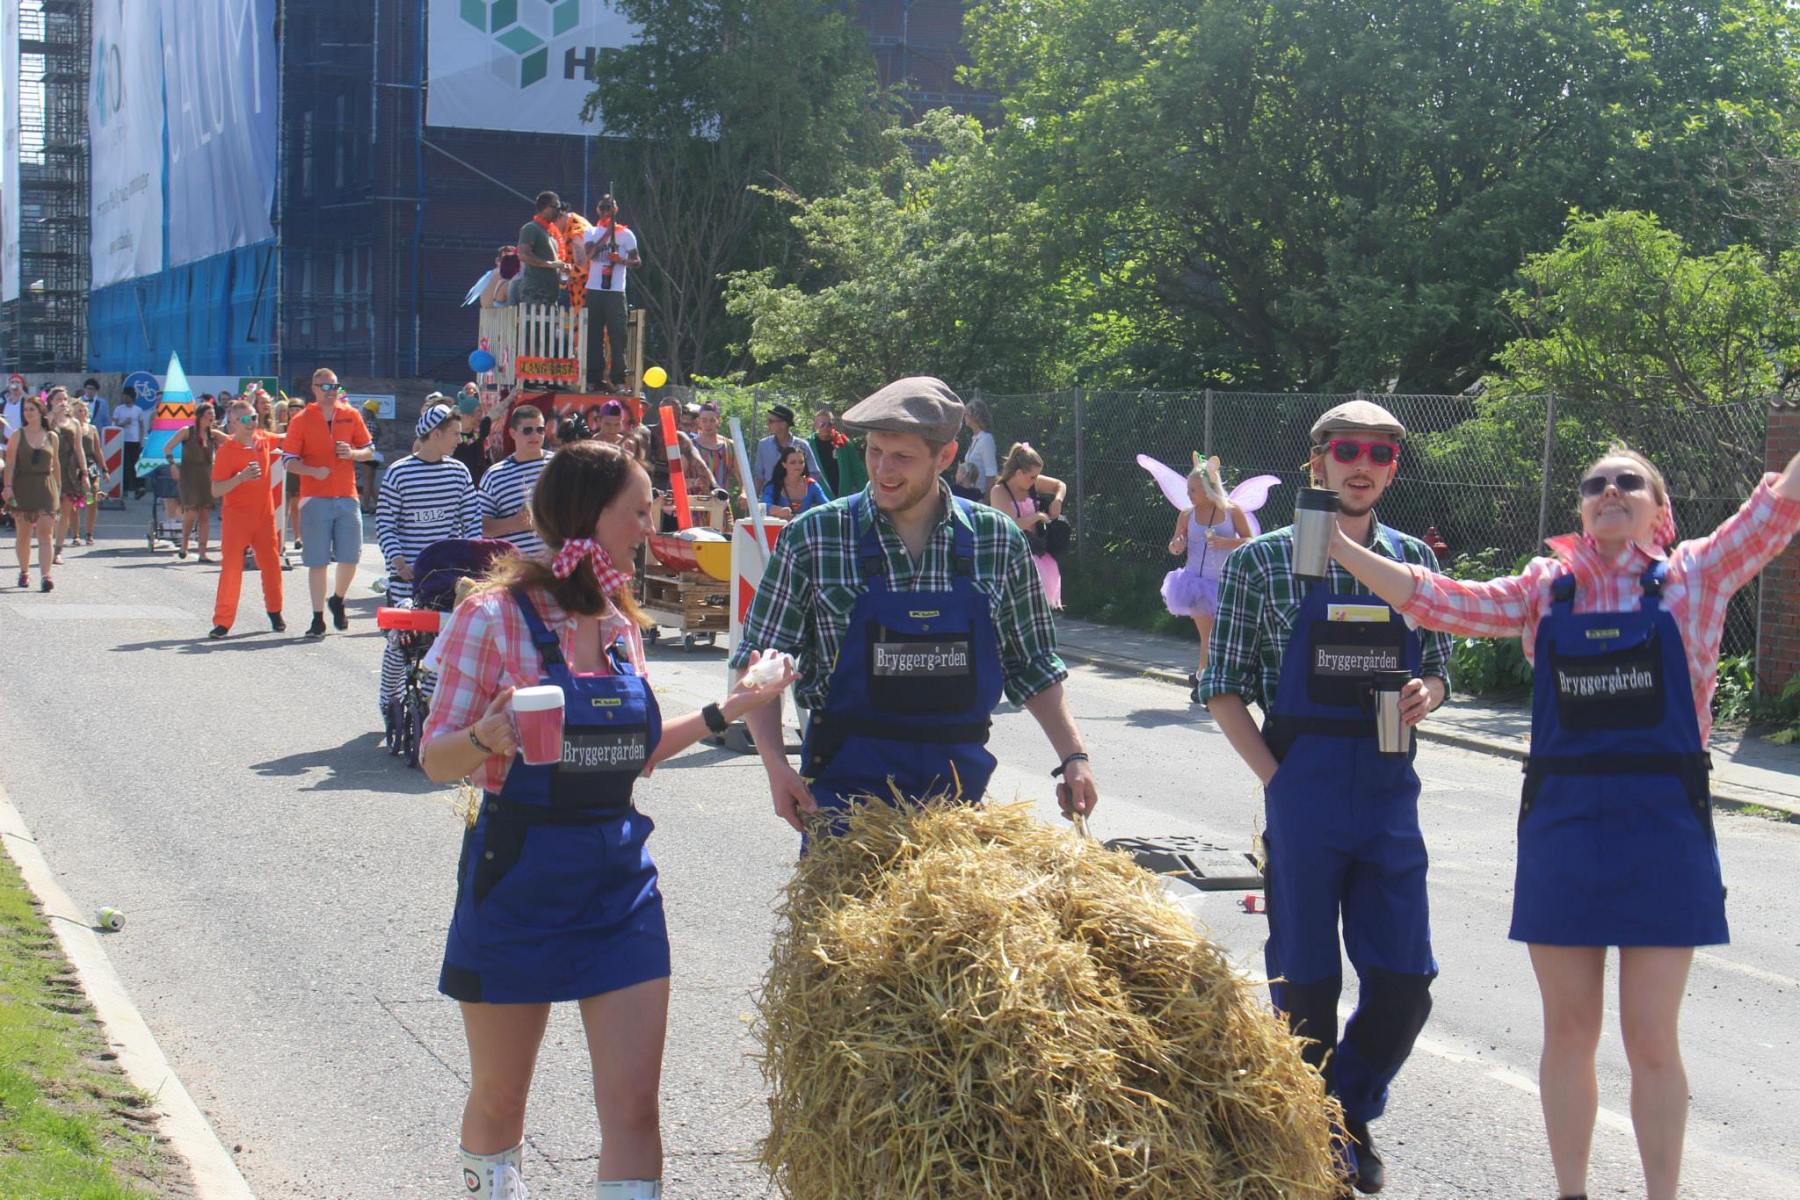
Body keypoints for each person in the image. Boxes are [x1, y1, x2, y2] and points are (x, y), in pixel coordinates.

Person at [1323, 441, 1800, 1200]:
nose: (1609, 490)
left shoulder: (1696, 575)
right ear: (1580, 507)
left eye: (1629, 482)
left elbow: (1776, 511)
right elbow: (1440, 599)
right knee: (1569, 1033)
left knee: (1651, 1039)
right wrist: (1343, 549)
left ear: (1660, 510)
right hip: (1563, 831)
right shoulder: (1547, 588)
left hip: (1664, 834)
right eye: (1594, 483)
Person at [419, 440, 794, 1200]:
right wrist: (486, 737)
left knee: (633, 1106)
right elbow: (435, 758)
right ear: (592, 516)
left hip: (618, 881)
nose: (651, 525)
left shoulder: (622, 624)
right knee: (501, 1097)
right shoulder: (491, 616)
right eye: (640, 509)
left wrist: (734, 705)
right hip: (518, 874)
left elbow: (640, 752)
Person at [1199, 400, 1452, 1197]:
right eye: (1347, 450)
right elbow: (1221, 686)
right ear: (1317, 461)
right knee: (1306, 983)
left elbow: (1440, 662)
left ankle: (1346, 1109)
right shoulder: (1262, 562)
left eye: (1380, 454)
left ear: (1393, 469)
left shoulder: (1413, 560)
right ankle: (1313, 1133)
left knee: (1405, 982)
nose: (1362, 465)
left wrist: (1430, 692)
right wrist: (1278, 781)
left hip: (1388, 789)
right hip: (1302, 787)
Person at [730, 375, 1098, 834]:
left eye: (902, 457)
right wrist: (774, 764)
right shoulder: (814, 536)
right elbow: (760, 661)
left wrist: (1074, 757)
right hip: (846, 806)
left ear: (945, 456)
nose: (883, 470)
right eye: (875, 451)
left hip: (957, 807)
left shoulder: (996, 540)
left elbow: (1033, 664)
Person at [377, 403, 480, 715]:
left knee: (444, 641)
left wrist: (475, 559)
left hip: (447, 579)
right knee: (399, 642)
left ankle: (430, 703)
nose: (459, 440)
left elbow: (472, 520)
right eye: (454, 434)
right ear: (435, 434)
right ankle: (388, 699)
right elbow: (385, 523)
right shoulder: (399, 472)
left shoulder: (459, 472)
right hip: (407, 578)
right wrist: (398, 561)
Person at [283, 367, 376, 638]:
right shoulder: (301, 419)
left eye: (334, 386)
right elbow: (288, 461)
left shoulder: (351, 414)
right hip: (314, 498)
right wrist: (313, 471)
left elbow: (370, 450)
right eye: (324, 387)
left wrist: (353, 453)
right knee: (318, 561)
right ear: (314, 389)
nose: (330, 391)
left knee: (351, 556)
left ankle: (338, 599)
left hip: (347, 495)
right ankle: (317, 618)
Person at [1163, 460, 1254, 702]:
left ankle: (1201, 675)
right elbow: (1173, 545)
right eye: (1188, 489)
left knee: (1220, 637)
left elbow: (1251, 540)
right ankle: (1206, 683)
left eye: (1193, 490)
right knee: (1210, 636)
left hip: (1225, 582)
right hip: (1195, 583)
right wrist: (1177, 545)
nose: (1188, 494)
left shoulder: (1232, 511)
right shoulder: (1186, 515)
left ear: (1208, 489)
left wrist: (1227, 543)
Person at [207, 399, 286, 638]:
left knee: (271, 565)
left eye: (253, 417)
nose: (250, 423)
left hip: (264, 517)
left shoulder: (263, 439)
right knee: (232, 569)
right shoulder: (226, 452)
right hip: (237, 520)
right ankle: (223, 622)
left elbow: (286, 438)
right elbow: (216, 490)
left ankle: (275, 612)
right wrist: (240, 478)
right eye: (244, 419)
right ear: (232, 423)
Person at [989, 442, 1068, 610]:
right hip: (1014, 557)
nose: (1035, 480)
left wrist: (1058, 500)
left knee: (1042, 605)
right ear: (1019, 473)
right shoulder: (999, 492)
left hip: (1037, 551)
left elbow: (1060, 485)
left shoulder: (1032, 483)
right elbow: (1010, 524)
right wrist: (1037, 516)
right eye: (1032, 476)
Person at [4, 393, 61, 591]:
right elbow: (10, 464)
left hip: (46, 486)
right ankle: (24, 572)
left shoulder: (52, 436)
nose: (28, 413)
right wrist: (8, 487)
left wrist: (58, 490)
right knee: (24, 534)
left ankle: (46, 576)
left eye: (32, 409)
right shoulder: (17, 435)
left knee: (45, 534)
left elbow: (56, 465)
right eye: (26, 410)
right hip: (23, 486)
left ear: (41, 412)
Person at [583, 193, 640, 391]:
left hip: (615, 291)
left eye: (610, 208)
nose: (606, 211)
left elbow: (637, 261)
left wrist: (621, 261)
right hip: (594, 289)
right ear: (598, 210)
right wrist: (607, 234)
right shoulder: (591, 231)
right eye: (603, 207)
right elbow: (589, 254)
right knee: (593, 335)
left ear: (616, 210)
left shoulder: (626, 234)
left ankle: (619, 379)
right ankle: (594, 378)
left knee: (618, 336)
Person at [480, 405, 552, 557]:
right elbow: (481, 526)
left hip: (558, 564)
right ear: (513, 433)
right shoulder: (495, 475)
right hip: (516, 566)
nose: (535, 435)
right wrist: (515, 523)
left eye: (540, 430)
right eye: (527, 430)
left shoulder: (560, 465)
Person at [169, 401, 224, 562]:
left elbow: (234, 441)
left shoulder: (214, 434)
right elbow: (168, 447)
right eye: (208, 414)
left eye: (213, 414)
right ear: (200, 416)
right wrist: (172, 465)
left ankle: (202, 553)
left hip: (207, 477)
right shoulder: (187, 432)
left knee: (205, 515)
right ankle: (184, 544)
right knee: (191, 512)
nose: (212, 417)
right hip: (189, 477)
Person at [46, 389, 89, 566]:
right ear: (51, 401)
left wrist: (85, 472)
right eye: (58, 399)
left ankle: (58, 550)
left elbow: (79, 449)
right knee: (49, 512)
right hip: (48, 469)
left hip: (69, 471)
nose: (63, 402)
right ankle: (46, 546)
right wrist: (52, 416)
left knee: (65, 512)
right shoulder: (46, 420)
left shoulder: (74, 423)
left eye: (65, 399)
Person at [752, 404, 824, 496]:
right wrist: (753, 500)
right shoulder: (763, 445)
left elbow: (814, 474)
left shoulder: (802, 445)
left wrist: (802, 493)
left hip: (797, 499)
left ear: (784, 423)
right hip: (770, 498)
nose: (767, 424)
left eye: (771, 421)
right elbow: (759, 476)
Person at [516, 190, 568, 307]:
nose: (559, 212)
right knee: (535, 320)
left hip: (551, 294)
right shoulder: (531, 228)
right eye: (557, 208)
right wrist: (550, 264)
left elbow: (560, 277)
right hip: (535, 292)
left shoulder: (552, 233)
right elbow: (523, 255)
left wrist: (564, 273)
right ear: (545, 208)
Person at [760, 445, 829, 519]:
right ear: (784, 464)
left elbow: (828, 507)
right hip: (781, 526)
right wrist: (779, 511)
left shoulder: (812, 485)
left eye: (801, 462)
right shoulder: (773, 486)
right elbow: (763, 507)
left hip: (804, 526)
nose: (797, 466)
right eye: (792, 462)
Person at [72, 400, 102, 545]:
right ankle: (75, 534)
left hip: (91, 467)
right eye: (78, 410)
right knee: (73, 502)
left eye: (84, 410)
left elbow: (97, 450)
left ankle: (89, 533)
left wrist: (105, 468)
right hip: (73, 467)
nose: (82, 413)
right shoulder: (69, 428)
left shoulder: (92, 428)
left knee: (92, 497)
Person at [452, 386, 494, 486]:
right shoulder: (454, 436)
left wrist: (510, 398)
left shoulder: (476, 433)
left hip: (479, 484)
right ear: (467, 416)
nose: (480, 415)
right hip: (460, 484)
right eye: (478, 412)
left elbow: (494, 414)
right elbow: (466, 442)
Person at [112, 390, 147, 499]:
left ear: (132, 397)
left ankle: (139, 488)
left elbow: (141, 426)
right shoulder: (119, 409)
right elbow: (113, 424)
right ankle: (125, 488)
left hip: (135, 441)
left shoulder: (138, 410)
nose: (125, 398)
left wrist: (141, 440)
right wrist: (123, 423)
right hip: (122, 441)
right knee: (125, 466)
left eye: (127, 396)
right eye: (124, 396)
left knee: (136, 465)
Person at [962, 397, 999, 497]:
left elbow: (991, 473)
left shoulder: (986, 439)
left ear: (974, 416)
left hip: (980, 496)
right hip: (971, 494)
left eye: (966, 414)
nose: (964, 416)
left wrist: (986, 501)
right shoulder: (975, 438)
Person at [809, 408, 845, 496]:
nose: (826, 427)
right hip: (820, 495)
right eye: (822, 424)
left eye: (829, 424)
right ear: (815, 425)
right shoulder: (808, 445)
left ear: (833, 425)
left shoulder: (843, 442)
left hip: (844, 494)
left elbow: (857, 469)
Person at [360, 397, 386, 514]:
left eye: (364, 409)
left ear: (368, 411)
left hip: (367, 455)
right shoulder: (375, 423)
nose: (362, 411)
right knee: (370, 482)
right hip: (373, 455)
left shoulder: (369, 424)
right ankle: (379, 506)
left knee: (367, 482)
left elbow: (365, 440)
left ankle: (365, 507)